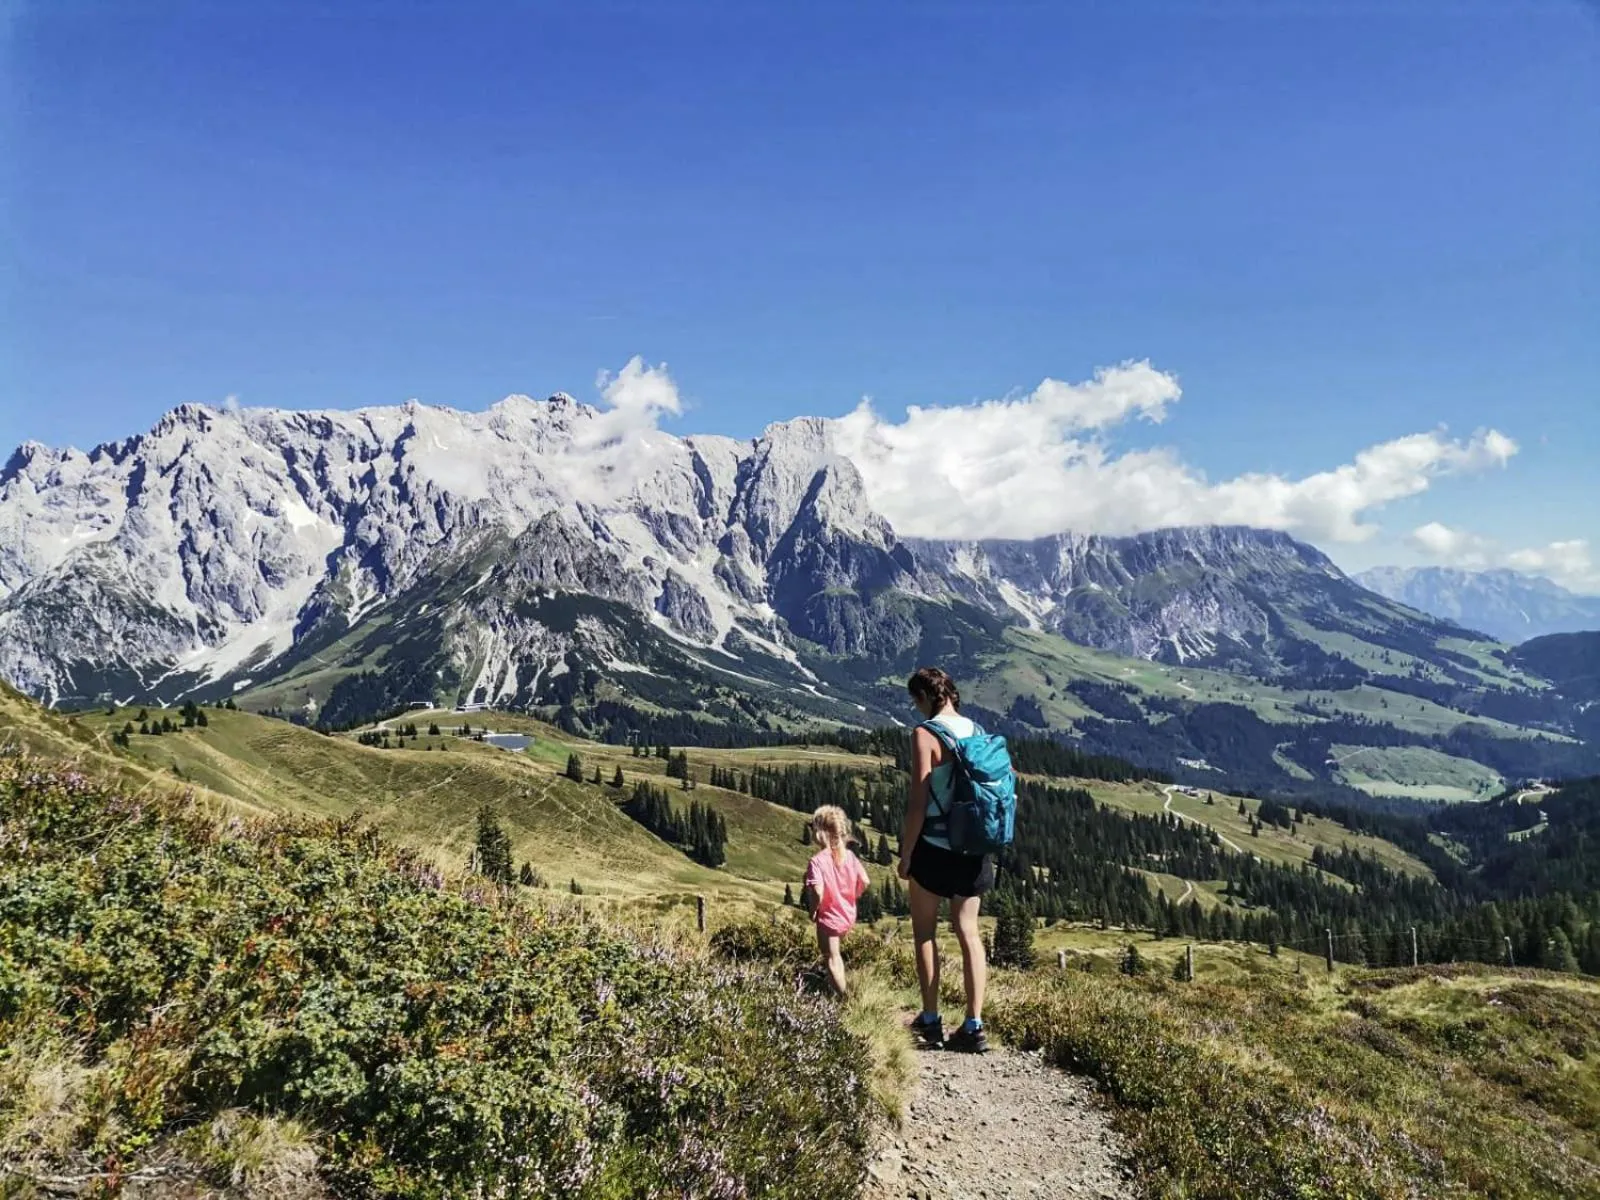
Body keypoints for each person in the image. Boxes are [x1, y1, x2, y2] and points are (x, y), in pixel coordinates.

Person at [899, 666, 993, 1052]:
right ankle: (974, 1024)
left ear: (924, 697)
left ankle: (932, 1019)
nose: (915, 708)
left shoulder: (926, 734)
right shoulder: (979, 732)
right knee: (969, 933)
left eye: (915, 700)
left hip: (935, 848)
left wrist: (906, 855)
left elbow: (918, 804)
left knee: (925, 932)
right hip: (974, 847)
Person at [803, 804, 872, 997]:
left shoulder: (817, 861)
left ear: (820, 833)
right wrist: (852, 896)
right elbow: (865, 881)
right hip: (847, 914)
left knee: (831, 959)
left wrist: (813, 911)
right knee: (837, 955)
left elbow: (817, 891)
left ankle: (844, 999)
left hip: (829, 918)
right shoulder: (849, 856)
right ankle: (836, 989)